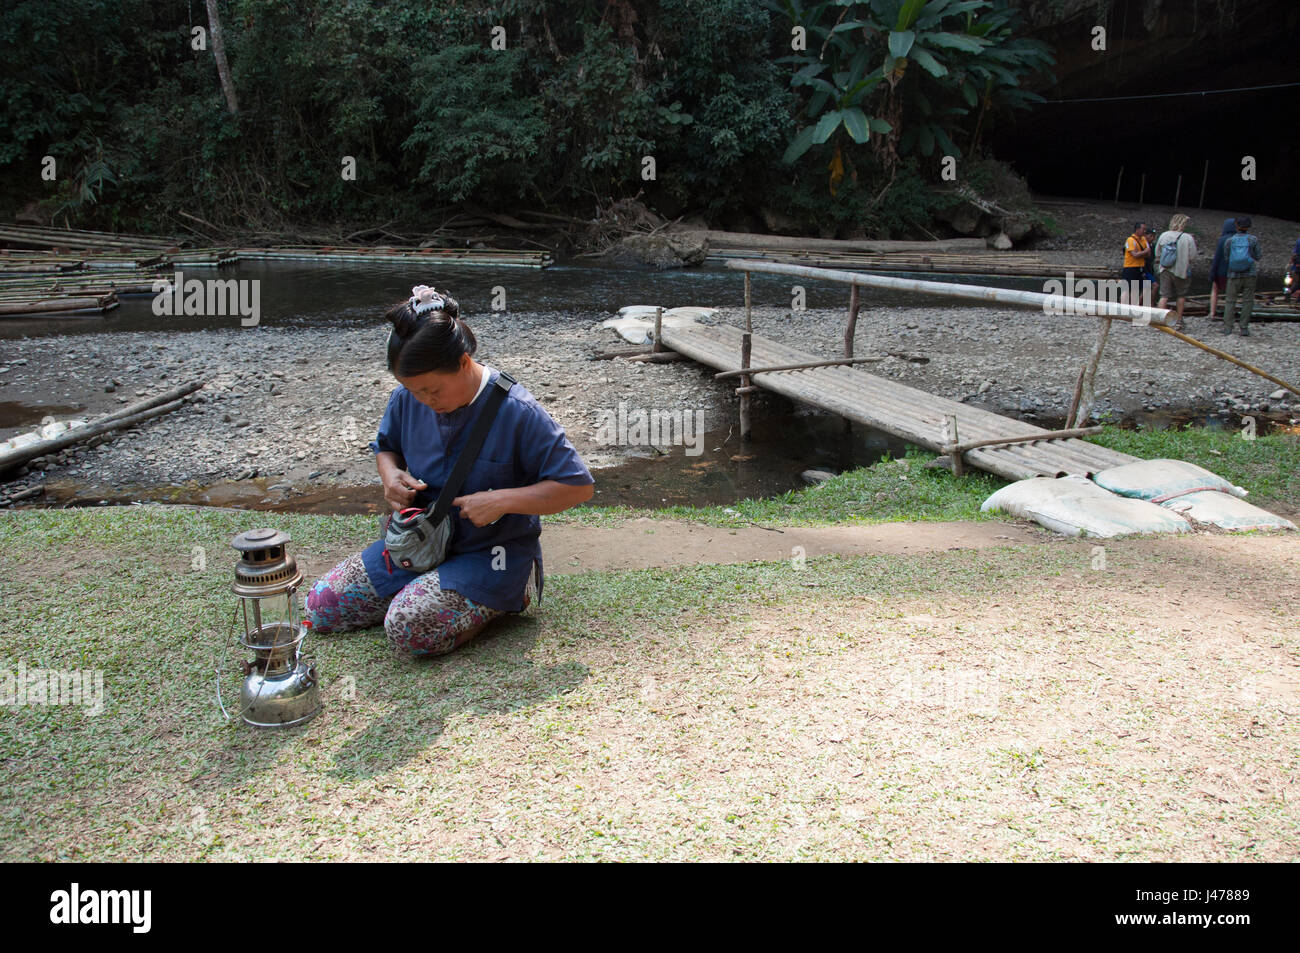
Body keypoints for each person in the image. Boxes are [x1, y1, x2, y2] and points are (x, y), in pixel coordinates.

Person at [303, 285, 595, 657]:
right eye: (413, 391)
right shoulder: (407, 397)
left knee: (406, 629)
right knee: (321, 607)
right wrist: (390, 475)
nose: (425, 401)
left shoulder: (518, 412)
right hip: (421, 543)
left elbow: (577, 486)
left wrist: (502, 501)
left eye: (432, 390)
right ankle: (426, 588)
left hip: (491, 554)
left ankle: (507, 595)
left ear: (462, 363)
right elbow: (387, 447)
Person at [1154, 213, 1198, 331]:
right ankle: (1178, 321)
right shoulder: (1188, 238)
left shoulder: (1164, 235)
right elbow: (1193, 256)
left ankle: (1159, 321)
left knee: (1164, 295)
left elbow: (1157, 253)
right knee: (1181, 295)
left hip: (1165, 269)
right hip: (1181, 270)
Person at [1221, 216, 1262, 336]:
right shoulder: (1253, 240)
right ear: (1249, 227)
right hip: (1250, 274)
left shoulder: (1229, 240)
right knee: (1248, 301)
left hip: (1233, 274)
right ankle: (1244, 327)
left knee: (1230, 301)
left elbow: (1226, 257)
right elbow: (1258, 256)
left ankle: (1228, 327)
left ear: (1237, 226)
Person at [1208, 218, 1235, 320]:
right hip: (1233, 272)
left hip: (1220, 271)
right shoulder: (1237, 239)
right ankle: (1228, 315)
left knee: (1215, 290)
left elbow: (1217, 258)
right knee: (1230, 294)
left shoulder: (1222, 240)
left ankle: (1212, 313)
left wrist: (1212, 273)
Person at [1120, 222, 1152, 305]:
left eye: (1145, 229)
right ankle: (1122, 308)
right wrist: (1144, 252)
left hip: (1139, 267)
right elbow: (1135, 254)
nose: (1144, 231)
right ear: (1137, 229)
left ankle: (1133, 307)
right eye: (1143, 229)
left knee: (1136, 289)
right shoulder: (1130, 240)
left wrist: (1142, 252)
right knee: (1126, 289)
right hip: (1130, 267)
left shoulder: (1144, 239)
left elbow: (1148, 253)